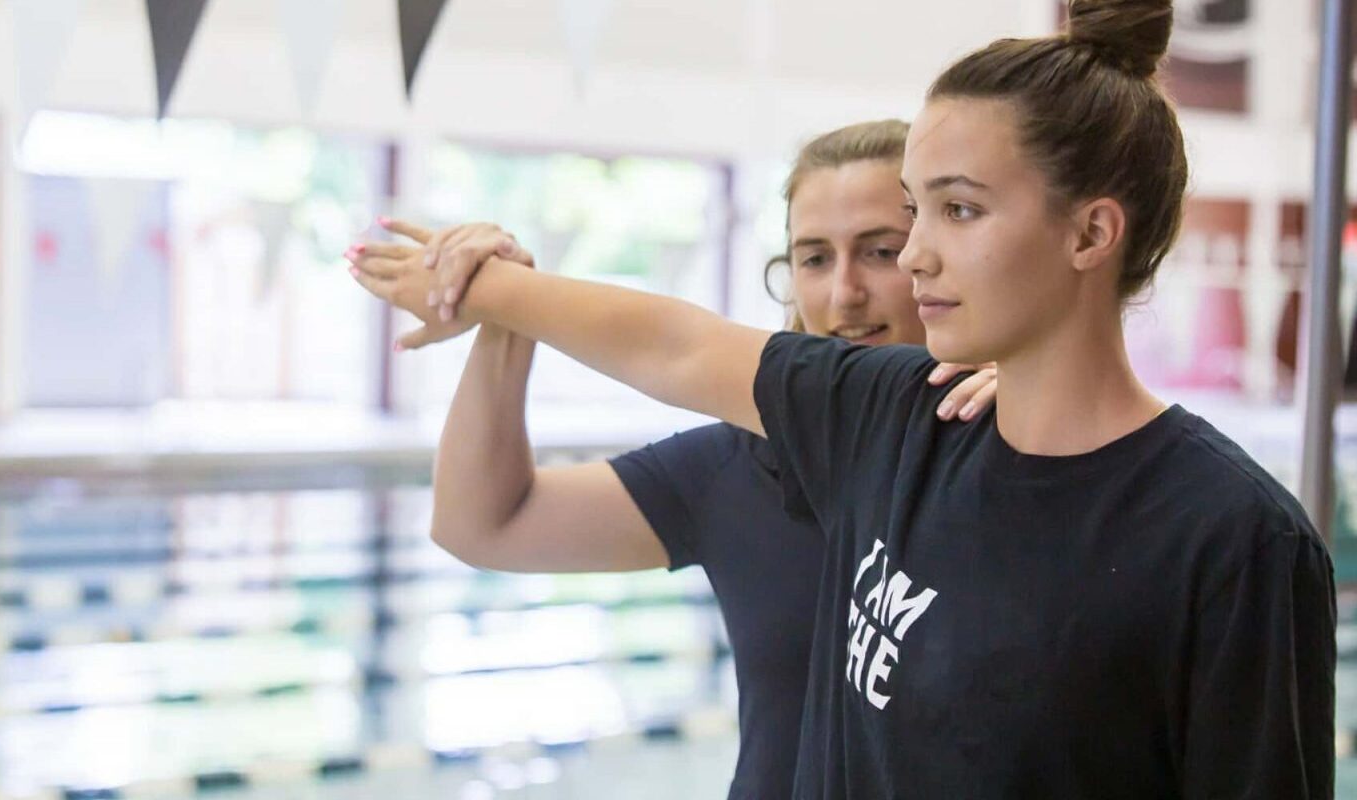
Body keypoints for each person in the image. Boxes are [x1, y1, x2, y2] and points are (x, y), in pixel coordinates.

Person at [351, 0, 1337, 796]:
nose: (901, 265)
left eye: (945, 212)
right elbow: (675, 344)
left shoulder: (1230, 538)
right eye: (816, 255)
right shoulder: (879, 417)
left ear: (1088, 234)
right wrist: (489, 290)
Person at [350, 120, 997, 799]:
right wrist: (504, 313)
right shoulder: (738, 466)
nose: (843, 293)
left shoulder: (1014, 450)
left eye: (879, 252)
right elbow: (481, 523)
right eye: (813, 258)